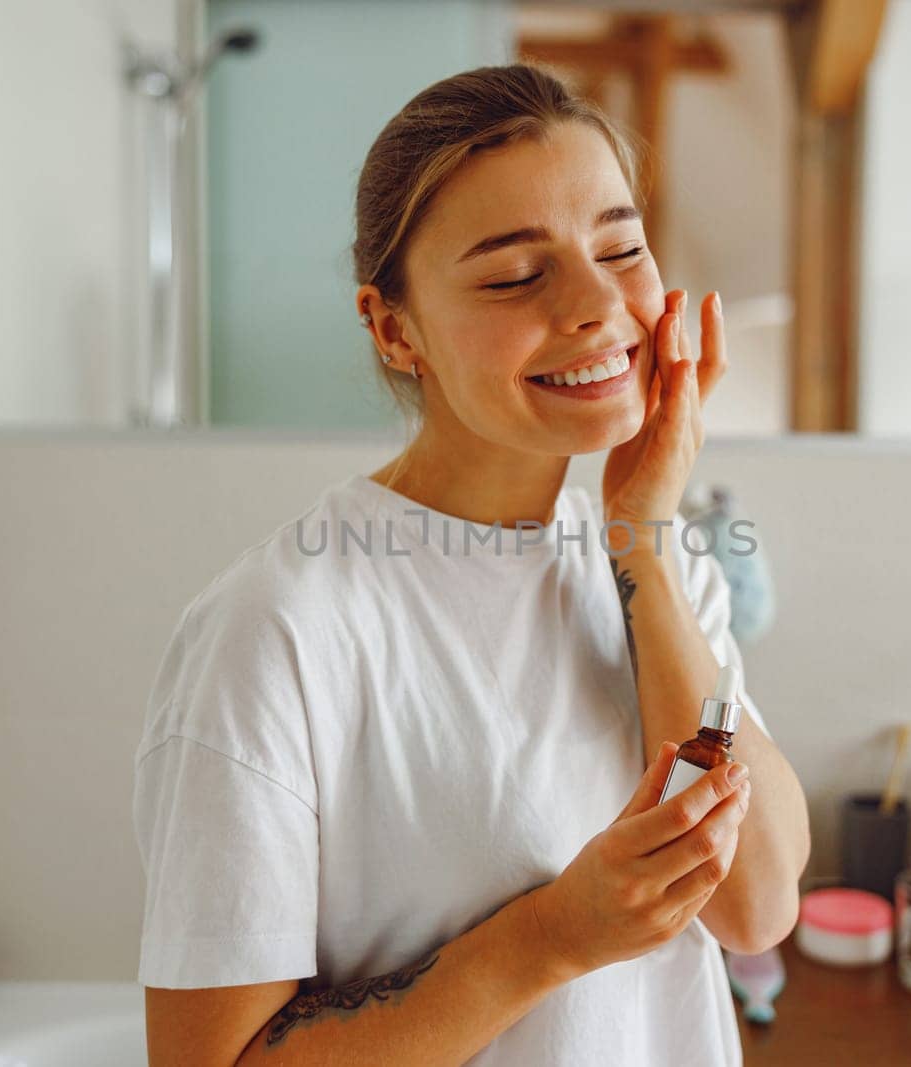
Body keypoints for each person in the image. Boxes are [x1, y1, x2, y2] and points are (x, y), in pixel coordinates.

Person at [133, 62, 811, 1066]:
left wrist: (641, 540)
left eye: (619, 246)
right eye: (513, 274)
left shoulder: (650, 561)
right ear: (393, 327)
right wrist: (548, 938)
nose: (597, 304)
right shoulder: (277, 627)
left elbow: (757, 905)